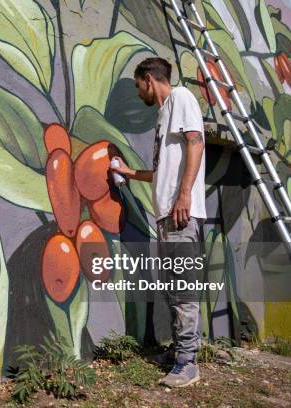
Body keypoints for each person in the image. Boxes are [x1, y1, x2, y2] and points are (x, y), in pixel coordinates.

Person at [111, 57, 206, 387]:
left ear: (149, 79)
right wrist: (129, 173)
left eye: (139, 86)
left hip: (181, 213)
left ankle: (188, 363)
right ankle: (182, 350)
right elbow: (161, 172)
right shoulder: (164, 116)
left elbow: (197, 142)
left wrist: (185, 194)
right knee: (173, 289)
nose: (139, 94)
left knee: (183, 289)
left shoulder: (181, 98)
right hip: (167, 215)